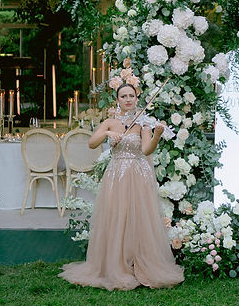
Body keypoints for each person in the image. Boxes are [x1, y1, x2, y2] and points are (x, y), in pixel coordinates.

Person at [59, 82, 184, 290]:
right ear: (117, 100)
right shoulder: (110, 121)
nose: (128, 99)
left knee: (139, 218)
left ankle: (138, 263)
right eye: (123, 96)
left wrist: (157, 135)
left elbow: (146, 150)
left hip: (138, 174)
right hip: (116, 175)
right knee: (117, 216)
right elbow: (92, 142)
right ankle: (116, 264)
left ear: (136, 99)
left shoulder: (142, 124)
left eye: (131, 96)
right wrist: (109, 135)